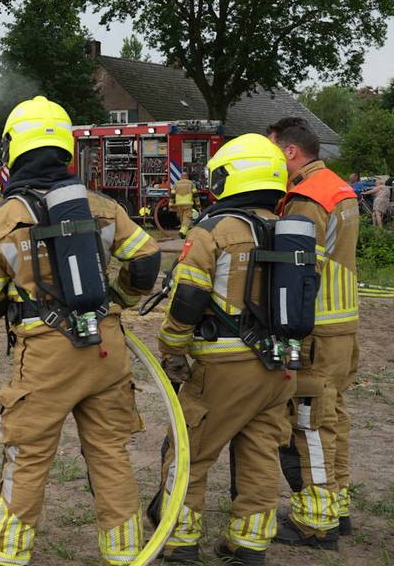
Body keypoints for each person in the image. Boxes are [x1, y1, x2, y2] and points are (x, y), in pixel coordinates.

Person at [0, 96, 161, 566]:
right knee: (110, 452)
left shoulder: (0, 218)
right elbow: (147, 258)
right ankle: (125, 553)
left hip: (46, 356)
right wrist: (117, 300)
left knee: (28, 456)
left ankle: (8, 557)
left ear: (13, 148)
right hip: (106, 350)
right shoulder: (102, 206)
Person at [153, 134, 300, 565]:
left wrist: (172, 349)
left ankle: (180, 540)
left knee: (189, 451)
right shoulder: (288, 231)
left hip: (222, 366)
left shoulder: (213, 230)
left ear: (230, 177)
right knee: (259, 455)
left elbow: (187, 298)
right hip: (277, 367)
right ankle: (249, 544)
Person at [267, 117, 360, 548]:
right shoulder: (339, 188)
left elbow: (301, 272)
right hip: (343, 326)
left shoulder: (306, 199)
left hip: (316, 330)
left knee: (310, 424)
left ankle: (315, 524)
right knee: (333, 417)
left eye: (272, 150)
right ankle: (336, 507)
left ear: (290, 152)